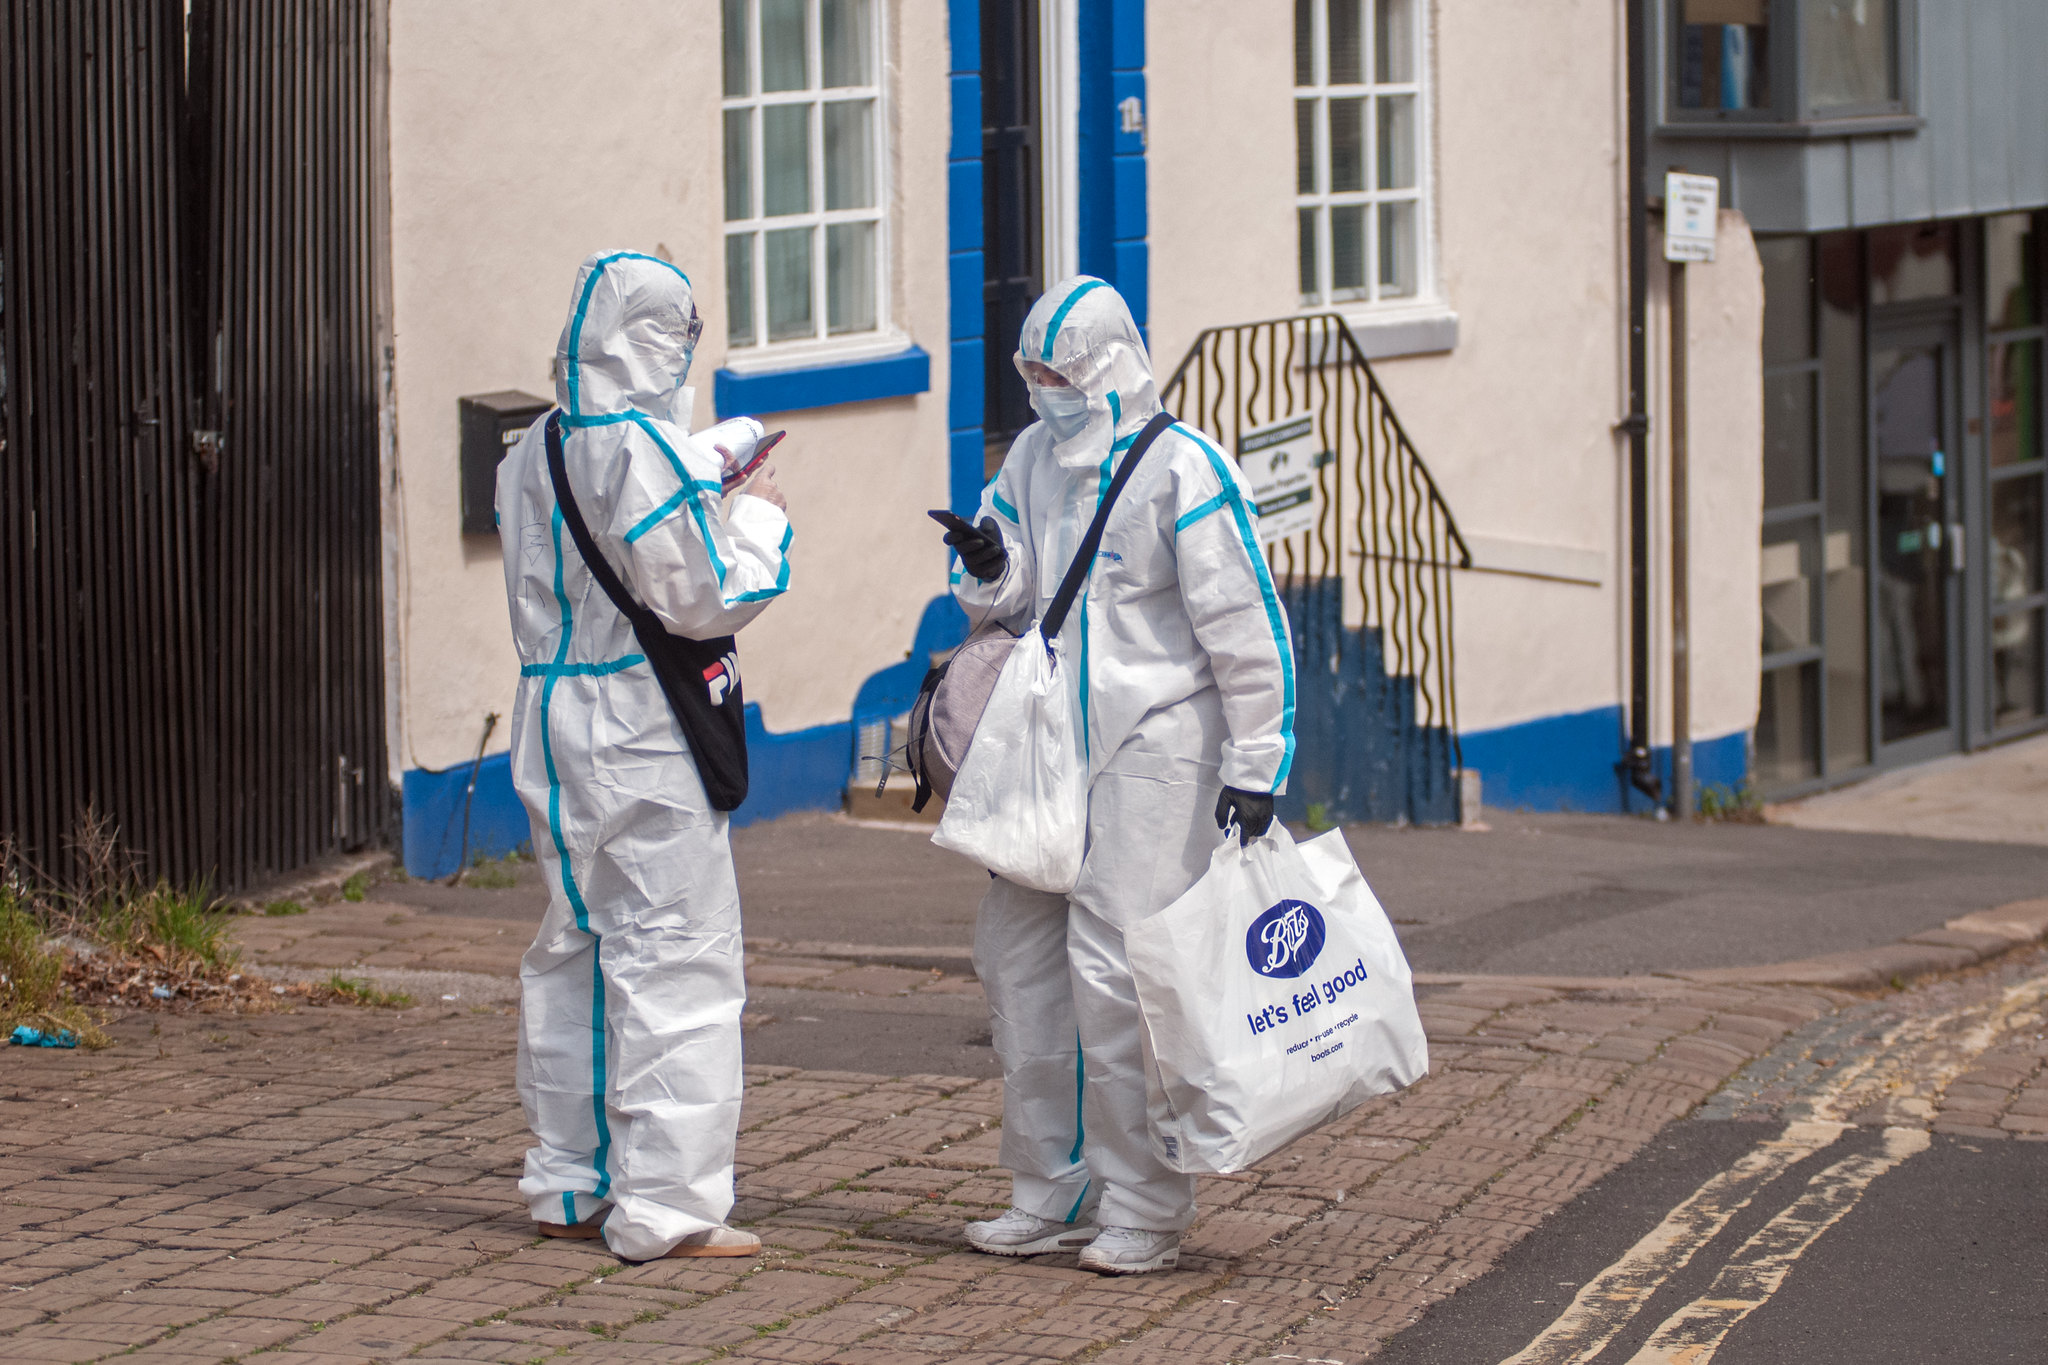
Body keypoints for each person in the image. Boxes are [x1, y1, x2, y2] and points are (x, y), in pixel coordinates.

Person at [936, 276, 1296, 1274]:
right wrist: (984, 559)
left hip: (1156, 753)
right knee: (1021, 972)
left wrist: (1256, 758)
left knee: (1117, 983)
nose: (1043, 388)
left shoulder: (1184, 472)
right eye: (1029, 371)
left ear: (1111, 368)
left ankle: (1142, 1201)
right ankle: (1047, 1187)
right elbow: (1011, 591)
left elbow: (1243, 628)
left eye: (1058, 371)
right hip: (1048, 747)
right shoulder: (1032, 465)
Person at [496, 250, 793, 1261]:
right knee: (675, 959)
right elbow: (704, 594)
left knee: (573, 949)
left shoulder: (528, 450)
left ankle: (566, 1181)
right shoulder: (645, 451)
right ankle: (667, 1206)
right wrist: (757, 520)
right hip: (637, 726)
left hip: (546, 715)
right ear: (658, 345)